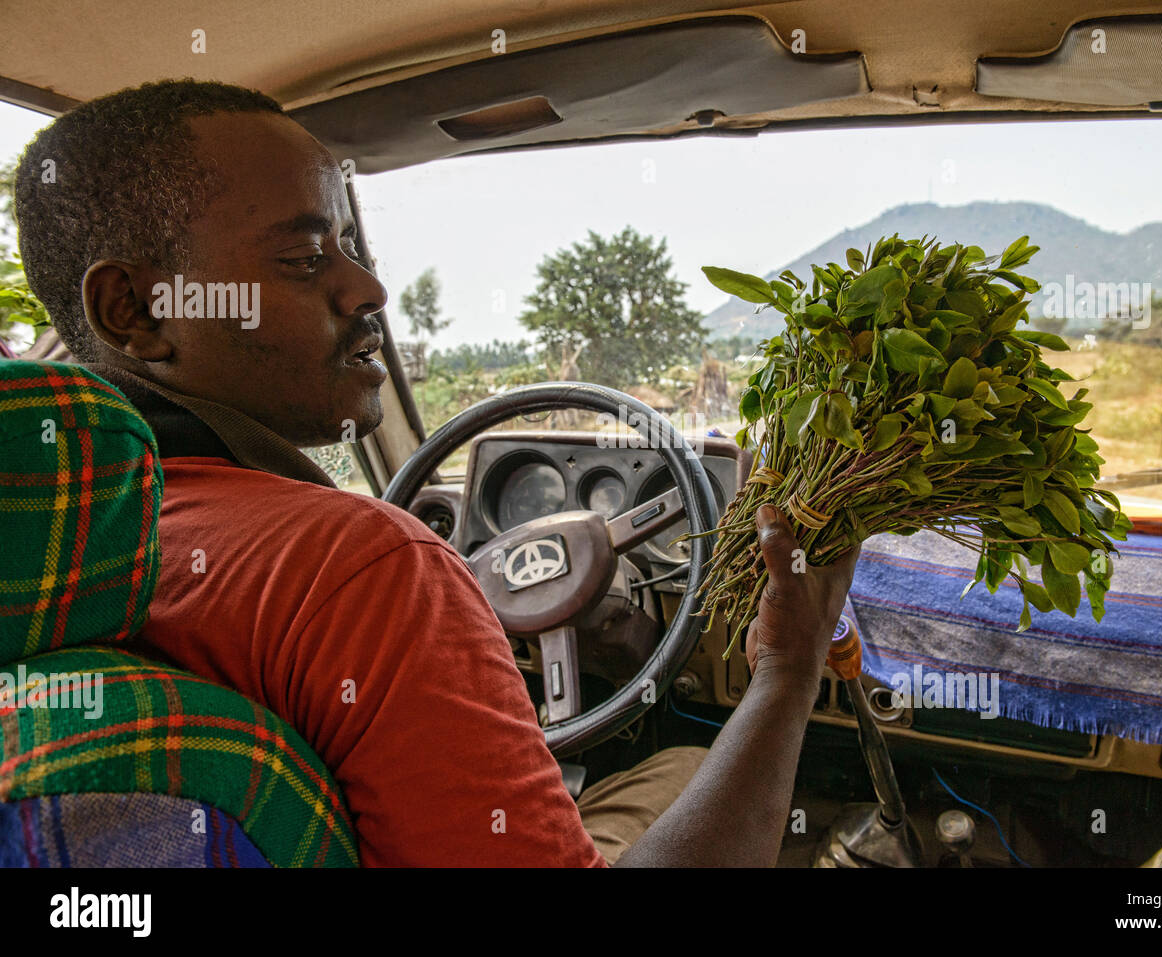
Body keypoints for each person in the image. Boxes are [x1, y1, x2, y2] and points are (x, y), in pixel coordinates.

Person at [12, 79, 858, 866]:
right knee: (682, 760)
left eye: (349, 244)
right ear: (137, 311)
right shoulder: (363, 570)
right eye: (307, 259)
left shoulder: (62, 551)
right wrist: (787, 674)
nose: (370, 287)